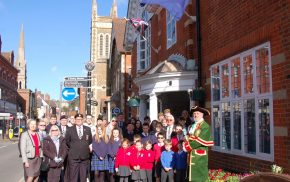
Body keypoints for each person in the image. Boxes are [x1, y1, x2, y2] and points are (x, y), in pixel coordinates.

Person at [183, 106, 214, 182]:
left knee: (199, 177)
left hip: (199, 156)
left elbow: (198, 141)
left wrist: (187, 146)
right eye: (194, 113)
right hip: (191, 155)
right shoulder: (193, 125)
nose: (195, 115)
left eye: (198, 113)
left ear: (202, 114)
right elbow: (190, 137)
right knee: (190, 176)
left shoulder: (205, 126)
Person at [65, 113, 93, 182]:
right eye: (77, 119)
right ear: (75, 120)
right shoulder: (70, 130)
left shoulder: (88, 129)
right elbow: (67, 142)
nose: (79, 120)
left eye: (80, 119)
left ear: (83, 120)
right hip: (74, 158)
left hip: (84, 158)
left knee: (83, 178)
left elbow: (89, 141)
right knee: (73, 178)